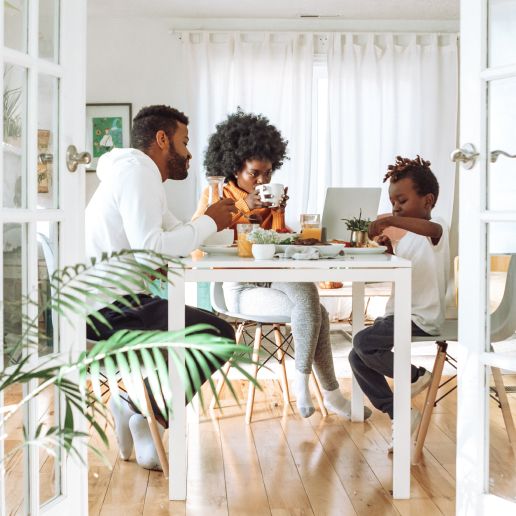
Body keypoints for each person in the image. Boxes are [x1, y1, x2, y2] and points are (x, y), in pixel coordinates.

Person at [85, 105, 238, 470]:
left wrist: (205, 223)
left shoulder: (137, 174)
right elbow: (154, 246)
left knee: (207, 329)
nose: (187, 153)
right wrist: (208, 222)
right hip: (103, 310)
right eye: (184, 142)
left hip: (115, 301)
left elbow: (170, 234)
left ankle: (136, 407)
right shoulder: (139, 174)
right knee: (218, 335)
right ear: (162, 139)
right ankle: (140, 411)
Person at [194, 110, 371, 421]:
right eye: (255, 174)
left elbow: (275, 246)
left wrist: (278, 214)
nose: (263, 181)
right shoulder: (216, 195)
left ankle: (306, 386)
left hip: (273, 278)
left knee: (308, 295)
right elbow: (198, 242)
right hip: (238, 287)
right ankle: (326, 393)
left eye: (268, 174)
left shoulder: (266, 198)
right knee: (316, 310)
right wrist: (241, 207)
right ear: (234, 168)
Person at [349, 155, 449, 451]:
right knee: (357, 357)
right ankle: (400, 413)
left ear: (428, 201)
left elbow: (430, 232)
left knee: (363, 343)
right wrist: (390, 247)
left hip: (420, 316)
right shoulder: (407, 240)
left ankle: (417, 376)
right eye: (393, 202)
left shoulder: (437, 228)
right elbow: (404, 270)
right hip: (397, 314)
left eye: (402, 201)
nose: (395, 208)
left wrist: (392, 221)